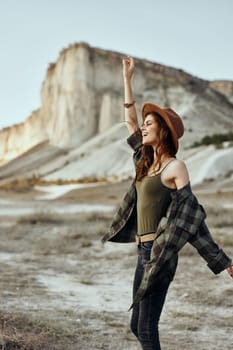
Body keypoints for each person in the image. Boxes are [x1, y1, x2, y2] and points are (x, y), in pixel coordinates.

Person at [101, 56, 233, 350]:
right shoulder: (145, 161)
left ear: (163, 131)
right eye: (145, 124)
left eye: (150, 124)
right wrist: (127, 80)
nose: (144, 128)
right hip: (142, 251)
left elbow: (192, 219)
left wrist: (223, 261)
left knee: (147, 328)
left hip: (159, 254)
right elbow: (130, 121)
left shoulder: (176, 168)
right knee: (136, 325)